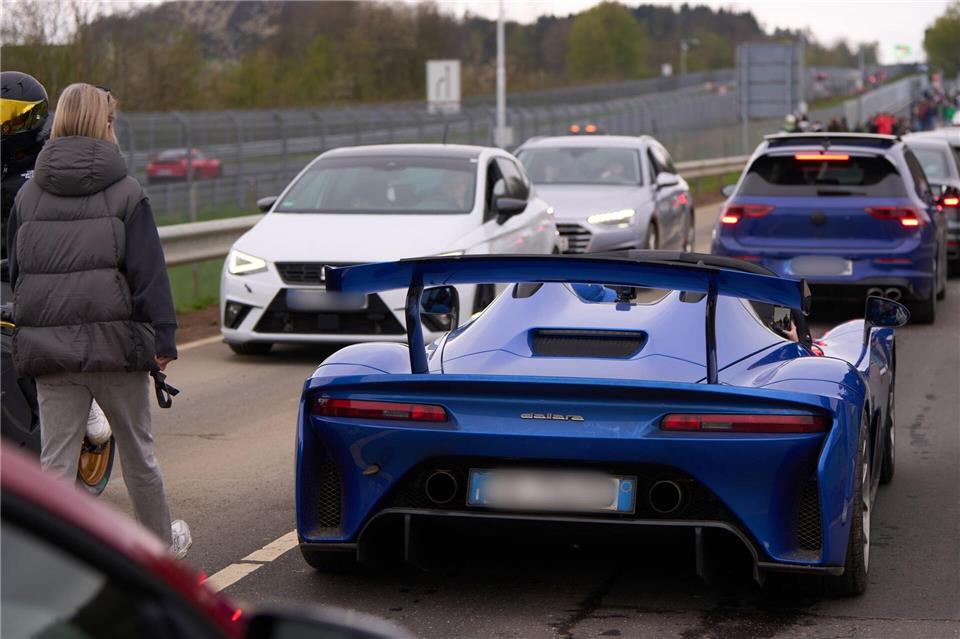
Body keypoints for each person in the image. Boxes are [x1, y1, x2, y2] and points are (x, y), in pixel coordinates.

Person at [6, 83, 191, 558]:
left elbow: (17, 272)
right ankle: (158, 558)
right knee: (140, 459)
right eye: (110, 119)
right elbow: (148, 273)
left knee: (55, 466)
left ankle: (53, 565)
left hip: (52, 355)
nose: (114, 127)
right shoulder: (128, 193)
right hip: (117, 348)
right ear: (99, 123)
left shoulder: (27, 197)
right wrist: (163, 339)